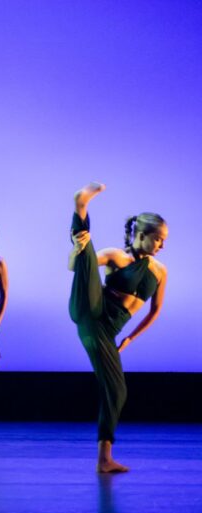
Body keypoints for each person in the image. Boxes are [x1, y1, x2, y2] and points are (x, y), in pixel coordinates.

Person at [68, 182, 167, 473]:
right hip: (92, 311)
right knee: (86, 250)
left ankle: (104, 459)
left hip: (109, 331)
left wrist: (129, 339)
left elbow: (155, 311)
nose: (161, 245)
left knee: (116, 390)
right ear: (141, 235)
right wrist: (78, 250)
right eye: (158, 239)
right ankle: (81, 207)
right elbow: (75, 266)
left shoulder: (160, 272)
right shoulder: (116, 256)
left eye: (163, 241)